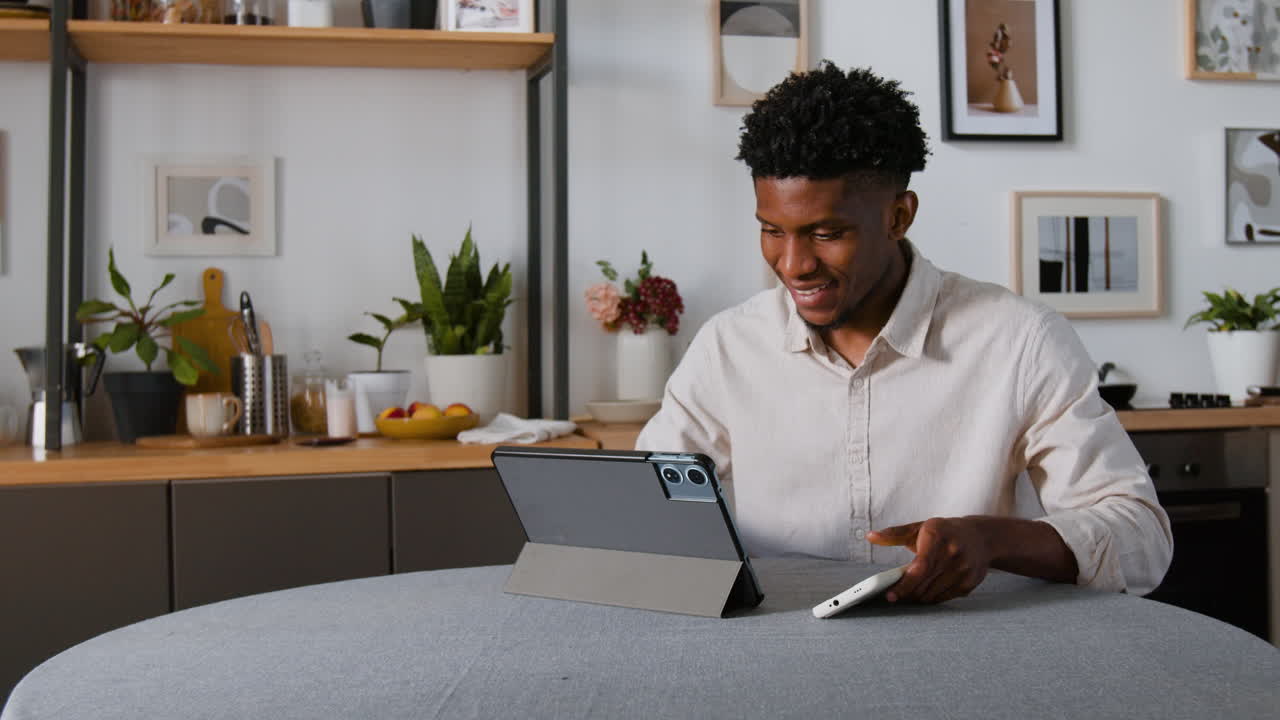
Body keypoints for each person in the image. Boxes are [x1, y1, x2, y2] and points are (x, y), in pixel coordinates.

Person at [635, 63, 1172, 604]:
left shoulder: (1020, 341)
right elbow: (646, 510)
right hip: (780, 652)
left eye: (826, 233)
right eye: (772, 231)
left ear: (899, 216)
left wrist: (991, 540)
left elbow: (1142, 539)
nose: (794, 264)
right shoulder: (728, 347)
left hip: (969, 655)